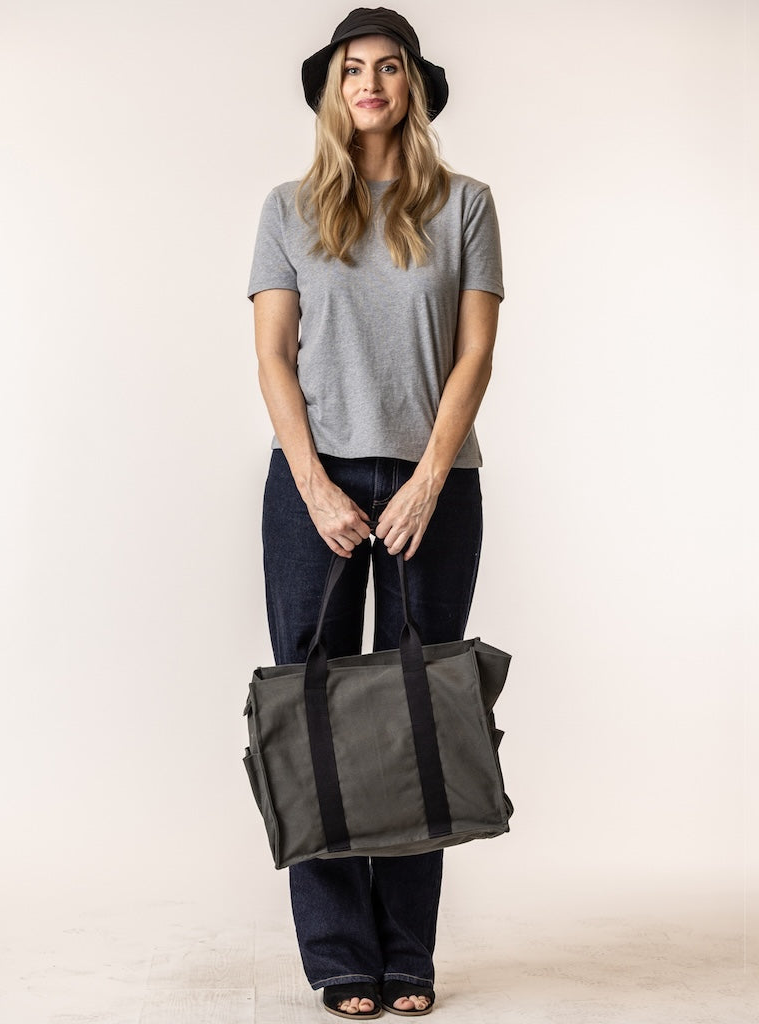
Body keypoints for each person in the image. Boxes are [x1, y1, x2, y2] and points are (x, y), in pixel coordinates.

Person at [247, 7, 504, 1018]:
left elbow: (475, 354)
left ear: (413, 86)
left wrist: (430, 478)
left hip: (432, 483)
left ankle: (409, 954)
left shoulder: (468, 205)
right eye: (352, 68)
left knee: (417, 715)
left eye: (388, 66)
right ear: (333, 89)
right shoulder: (287, 207)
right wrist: (313, 482)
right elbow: (273, 356)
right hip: (312, 481)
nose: (370, 82)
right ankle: (340, 955)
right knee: (310, 711)